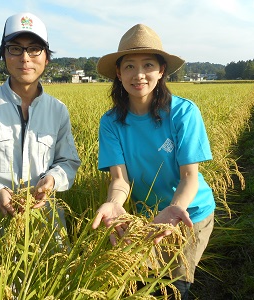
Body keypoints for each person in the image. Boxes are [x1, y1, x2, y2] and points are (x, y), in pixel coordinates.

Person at [91, 24, 215, 299]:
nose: (139, 75)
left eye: (148, 65)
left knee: (174, 284)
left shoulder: (183, 113)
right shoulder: (111, 122)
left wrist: (174, 210)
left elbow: (189, 177)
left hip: (188, 213)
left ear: (161, 72)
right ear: (118, 73)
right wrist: (113, 203)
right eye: (130, 66)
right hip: (145, 216)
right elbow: (120, 179)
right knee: (141, 282)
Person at [0, 12, 81, 216]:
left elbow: (67, 162)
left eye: (35, 49)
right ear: (4, 55)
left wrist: (53, 179)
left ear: (47, 58)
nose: (25, 58)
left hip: (46, 224)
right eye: (15, 49)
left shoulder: (58, 110)